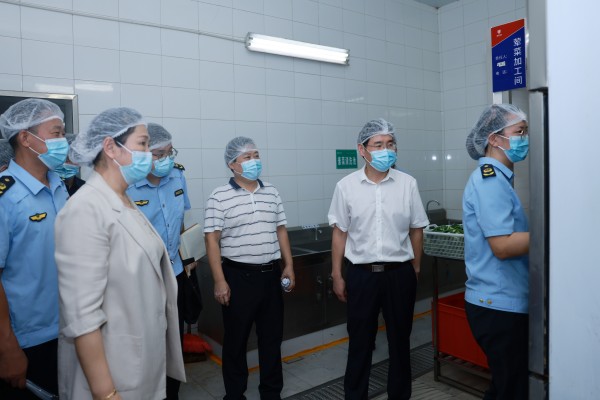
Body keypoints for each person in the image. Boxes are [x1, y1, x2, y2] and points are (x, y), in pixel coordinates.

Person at [54, 107, 185, 400]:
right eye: (143, 144)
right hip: (114, 373)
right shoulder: (85, 209)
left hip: (140, 361)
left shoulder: (122, 200)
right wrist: (106, 393)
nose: (149, 154)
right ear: (111, 147)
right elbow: (82, 317)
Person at [328, 118, 429, 400]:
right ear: (362, 150)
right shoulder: (346, 186)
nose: (386, 150)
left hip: (399, 274)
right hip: (361, 276)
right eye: (378, 144)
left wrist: (415, 268)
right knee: (360, 343)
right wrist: (337, 274)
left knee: (400, 342)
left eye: (390, 144)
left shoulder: (407, 184)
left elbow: (417, 228)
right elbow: (339, 233)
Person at [204, 136, 294, 400]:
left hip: (270, 275)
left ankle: (271, 393)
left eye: (256, 155)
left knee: (271, 339)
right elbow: (211, 239)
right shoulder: (219, 196)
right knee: (236, 341)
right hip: (238, 277)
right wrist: (219, 280)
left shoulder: (272, 192)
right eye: (247, 157)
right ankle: (235, 395)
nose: (254, 161)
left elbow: (281, 230)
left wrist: (288, 265)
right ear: (232, 164)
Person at [0, 98, 69, 399]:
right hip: (27, 340)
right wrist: (7, 347)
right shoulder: (6, 196)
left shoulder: (60, 186)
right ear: (26, 138)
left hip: (69, 327)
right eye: (56, 133)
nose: (63, 141)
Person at [463, 104, 530, 400]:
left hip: (502, 301)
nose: (524, 138)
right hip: (498, 304)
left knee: (508, 386)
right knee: (510, 389)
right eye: (519, 132)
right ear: (494, 138)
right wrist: (552, 234)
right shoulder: (489, 179)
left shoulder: (500, 179)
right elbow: (502, 246)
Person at [126, 122, 191, 400]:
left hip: (174, 272)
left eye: (169, 152)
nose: (166, 160)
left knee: (174, 339)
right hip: (141, 278)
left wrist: (185, 255)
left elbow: (180, 219)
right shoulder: (127, 185)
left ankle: (171, 393)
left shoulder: (177, 176)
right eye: (158, 154)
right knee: (147, 342)